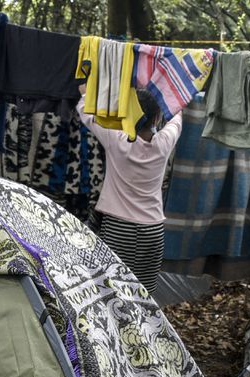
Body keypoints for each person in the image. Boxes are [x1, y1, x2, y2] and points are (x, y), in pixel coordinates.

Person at [78, 87, 182, 294]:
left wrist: (85, 90)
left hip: (118, 228)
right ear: (157, 118)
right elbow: (177, 115)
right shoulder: (164, 142)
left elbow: (85, 109)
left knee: (112, 292)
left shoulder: (115, 139)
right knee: (144, 295)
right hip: (153, 231)